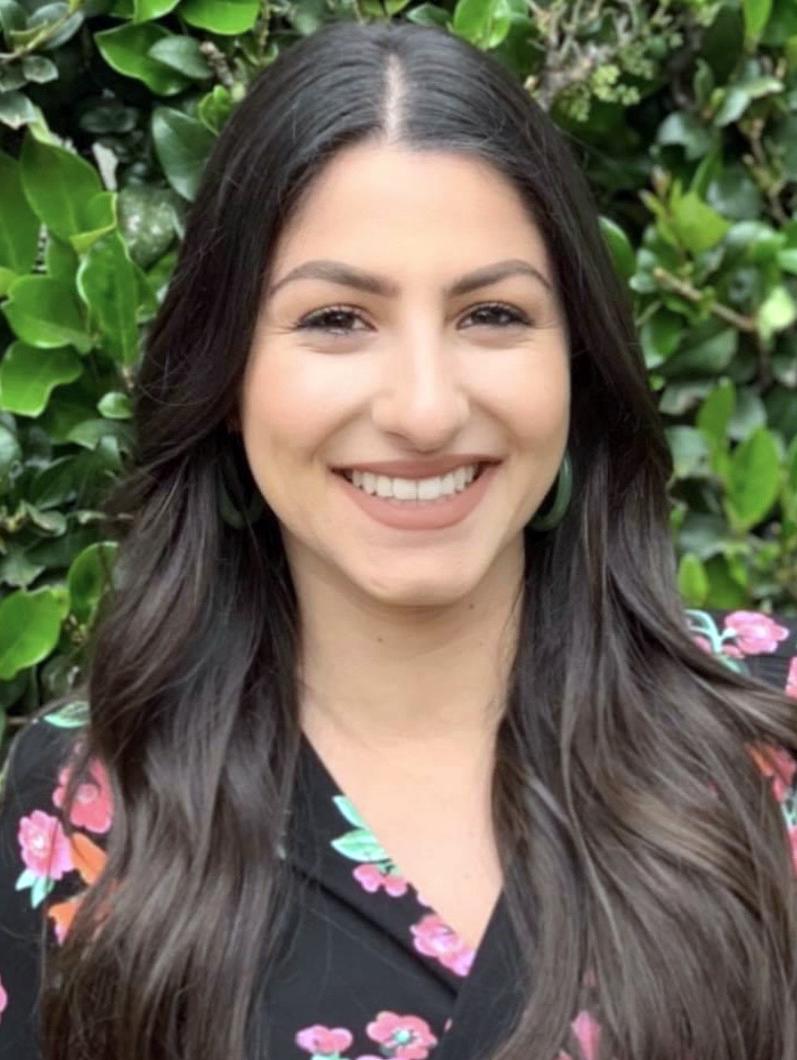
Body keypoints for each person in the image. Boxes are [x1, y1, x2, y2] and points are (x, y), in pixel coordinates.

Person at [0, 17, 795, 1060]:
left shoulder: (765, 741)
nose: (423, 409)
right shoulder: (87, 799)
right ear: (227, 370)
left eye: (491, 315)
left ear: (577, 364)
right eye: (336, 318)